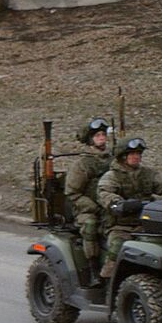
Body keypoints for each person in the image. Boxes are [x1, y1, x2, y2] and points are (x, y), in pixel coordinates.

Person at [97, 138, 162, 278]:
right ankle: (107, 279)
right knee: (117, 246)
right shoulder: (111, 176)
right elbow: (105, 194)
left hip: (146, 224)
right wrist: (119, 204)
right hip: (120, 226)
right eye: (132, 154)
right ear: (123, 156)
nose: (136, 157)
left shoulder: (147, 173)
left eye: (138, 154)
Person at [64, 117, 112, 284]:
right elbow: (72, 193)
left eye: (103, 134)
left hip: (112, 206)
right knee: (91, 226)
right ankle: (93, 270)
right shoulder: (82, 164)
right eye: (98, 135)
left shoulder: (114, 159)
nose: (102, 138)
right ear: (90, 139)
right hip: (88, 209)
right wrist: (95, 208)